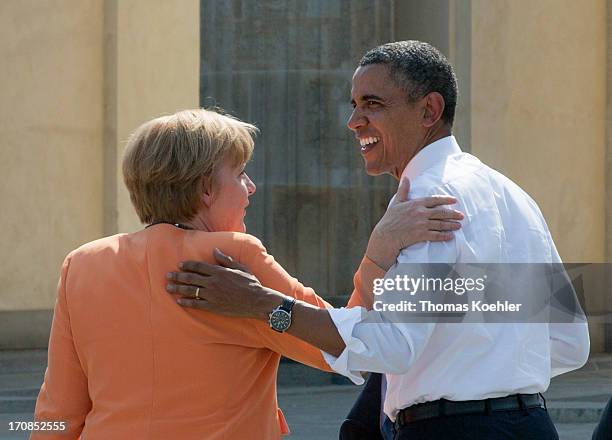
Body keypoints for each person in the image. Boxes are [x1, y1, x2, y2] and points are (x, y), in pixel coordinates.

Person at [167, 41, 591, 439]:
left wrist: (259, 303)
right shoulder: (511, 194)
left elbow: (392, 345)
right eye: (354, 105)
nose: (353, 121)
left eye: (373, 104)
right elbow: (569, 343)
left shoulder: (427, 199)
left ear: (429, 110)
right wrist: (489, 368)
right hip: (530, 425)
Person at [31, 108, 463, 439]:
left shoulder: (82, 264)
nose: (251, 187)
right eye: (240, 175)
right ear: (204, 189)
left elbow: (57, 413)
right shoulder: (234, 257)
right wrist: (379, 252)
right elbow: (344, 341)